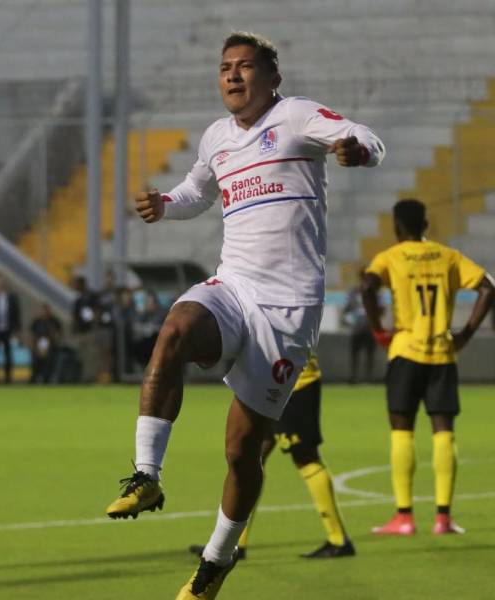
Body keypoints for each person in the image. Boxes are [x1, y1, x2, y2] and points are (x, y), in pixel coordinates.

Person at [103, 31, 384, 600]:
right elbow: (197, 192)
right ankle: (147, 475)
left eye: (245, 67)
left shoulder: (299, 116)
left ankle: (215, 563)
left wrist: (357, 149)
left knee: (242, 451)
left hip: (289, 308)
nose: (233, 76)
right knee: (175, 328)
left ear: (271, 78)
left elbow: (366, 137)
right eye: (225, 67)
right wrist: (164, 205)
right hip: (233, 285)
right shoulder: (215, 138)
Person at [361, 198, 494, 536]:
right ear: (426, 225)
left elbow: (367, 285)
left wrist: (378, 328)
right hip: (442, 353)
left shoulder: (389, 257)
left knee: (402, 431)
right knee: (443, 432)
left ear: (396, 226)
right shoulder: (448, 256)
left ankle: (404, 517)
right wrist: (464, 333)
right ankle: (443, 518)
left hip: (405, 350)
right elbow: (487, 287)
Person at [188, 353, 355, 561]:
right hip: (268, 382)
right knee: (252, 456)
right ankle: (235, 543)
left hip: (292, 381)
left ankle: (339, 540)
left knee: (305, 458)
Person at [342, 268, 378, 383]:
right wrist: (349, 320)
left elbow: (380, 309)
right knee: (355, 354)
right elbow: (346, 310)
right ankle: (354, 377)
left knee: (369, 354)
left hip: (369, 327)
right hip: (357, 328)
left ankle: (369, 377)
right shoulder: (353, 293)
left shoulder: (374, 292)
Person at [0, 274, 22, 383]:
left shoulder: (12, 297)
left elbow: (16, 314)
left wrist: (17, 329)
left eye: (1, 281)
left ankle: (8, 377)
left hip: (7, 329)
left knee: (7, 354)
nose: (0, 284)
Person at [29, 303, 63, 383]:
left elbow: (58, 334)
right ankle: (34, 379)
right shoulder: (36, 321)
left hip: (50, 346)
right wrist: (35, 347)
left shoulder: (54, 321)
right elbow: (32, 334)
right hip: (38, 346)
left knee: (49, 364)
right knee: (36, 364)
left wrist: (52, 341)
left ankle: (47, 379)